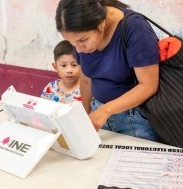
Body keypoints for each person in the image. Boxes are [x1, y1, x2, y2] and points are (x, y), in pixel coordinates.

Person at [55, 0, 159, 141]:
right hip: (98, 114)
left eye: (83, 40)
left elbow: (148, 85)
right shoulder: (80, 36)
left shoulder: (135, 27)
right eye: (72, 43)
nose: (78, 49)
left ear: (101, 24)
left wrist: (105, 111)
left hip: (135, 120)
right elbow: (86, 78)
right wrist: (86, 114)